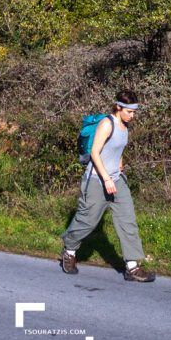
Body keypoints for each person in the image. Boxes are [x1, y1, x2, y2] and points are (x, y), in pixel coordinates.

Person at [61, 88, 155, 282]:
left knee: (127, 220)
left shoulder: (124, 126)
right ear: (118, 107)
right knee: (87, 221)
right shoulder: (107, 123)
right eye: (129, 111)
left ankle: (132, 267)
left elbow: (117, 148)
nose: (132, 115)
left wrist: (119, 162)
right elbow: (95, 153)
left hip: (117, 180)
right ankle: (69, 250)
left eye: (134, 111)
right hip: (97, 180)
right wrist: (106, 179)